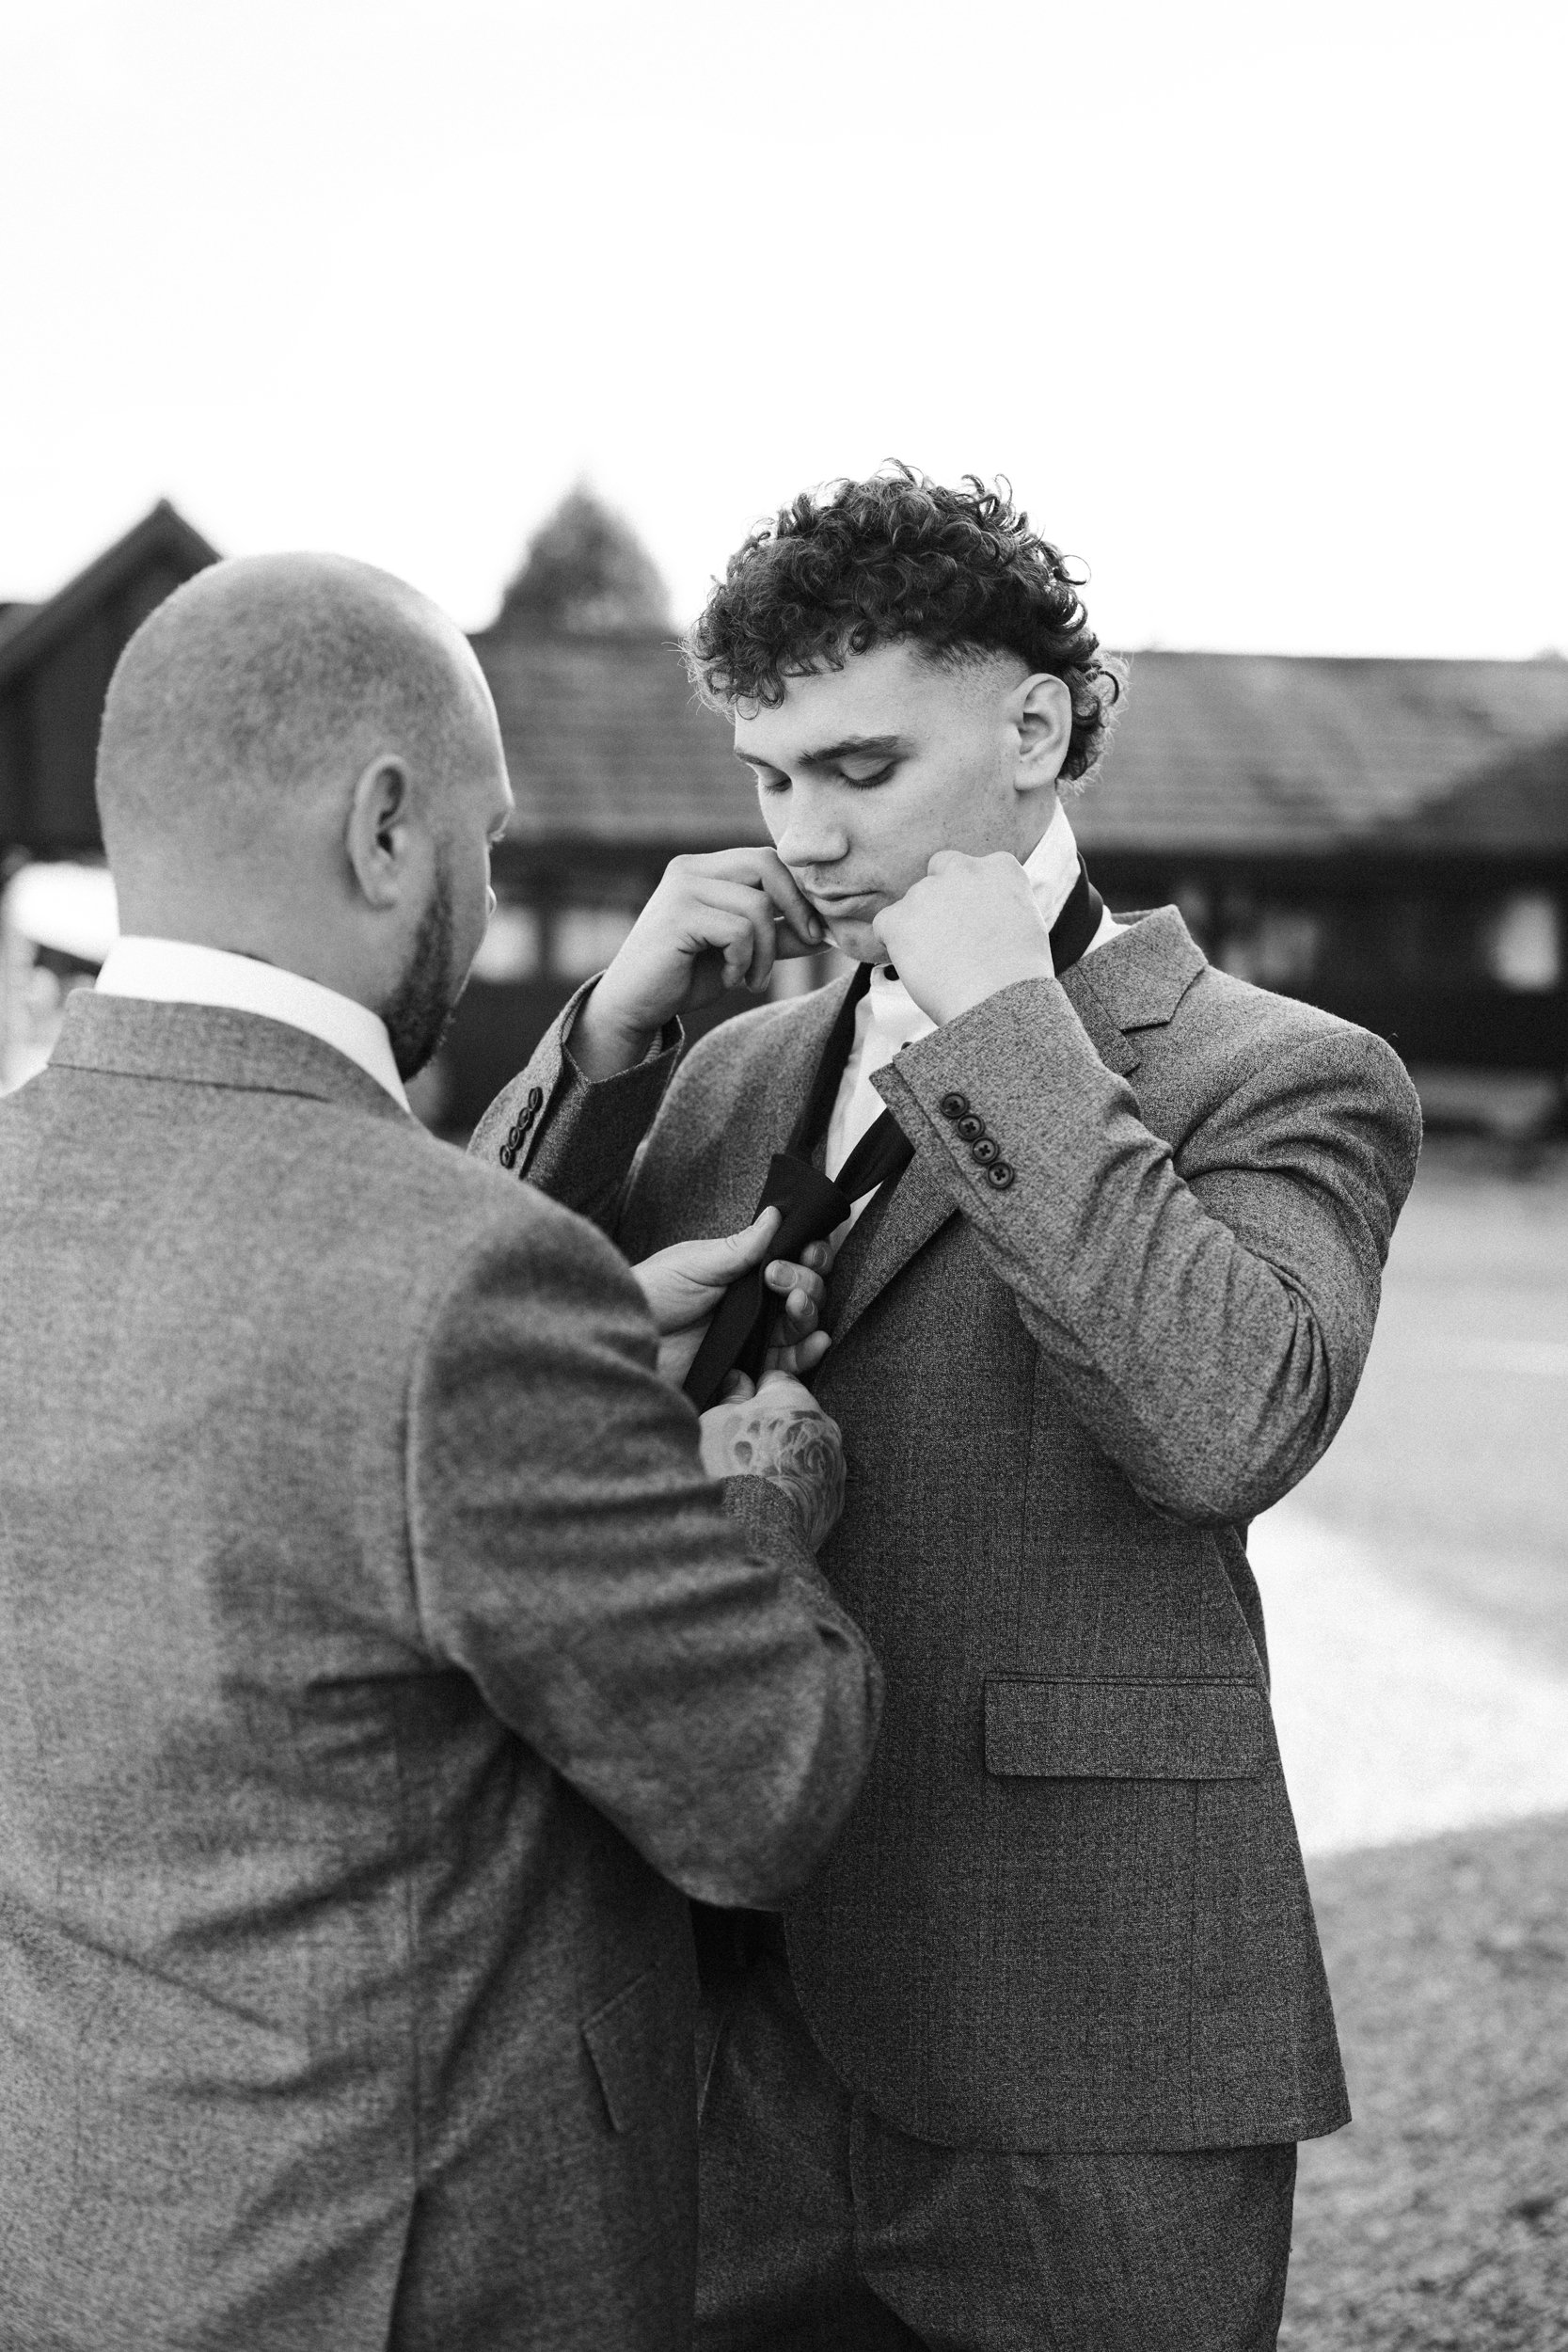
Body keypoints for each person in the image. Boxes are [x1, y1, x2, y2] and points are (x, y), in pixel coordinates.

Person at [472, 468, 1425, 2351]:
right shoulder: (729, 1064)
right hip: (722, 2031)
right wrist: (591, 1051)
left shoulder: (1286, 1072)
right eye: (767, 778)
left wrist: (1001, 1026)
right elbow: (456, 1346)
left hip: (1090, 2042)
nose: (803, 835)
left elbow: (1228, 1419)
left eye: (857, 766)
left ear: (1035, 727)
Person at [0, 552, 882, 2352]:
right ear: (388, 828)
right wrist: (746, 1482)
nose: (484, 901)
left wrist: (543, 1405)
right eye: (483, 841)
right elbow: (767, 1786)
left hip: (78, 2223)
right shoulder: (466, 1280)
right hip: (405, 2278)